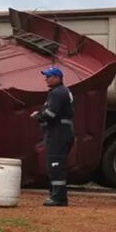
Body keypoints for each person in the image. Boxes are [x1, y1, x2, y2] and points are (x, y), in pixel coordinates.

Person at [30, 67, 74, 207]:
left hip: (58, 134)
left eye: (49, 76)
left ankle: (59, 198)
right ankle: (55, 195)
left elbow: (50, 115)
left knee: (56, 165)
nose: (46, 79)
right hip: (60, 132)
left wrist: (38, 117)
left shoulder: (57, 93)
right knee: (54, 164)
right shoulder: (61, 92)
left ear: (57, 78)